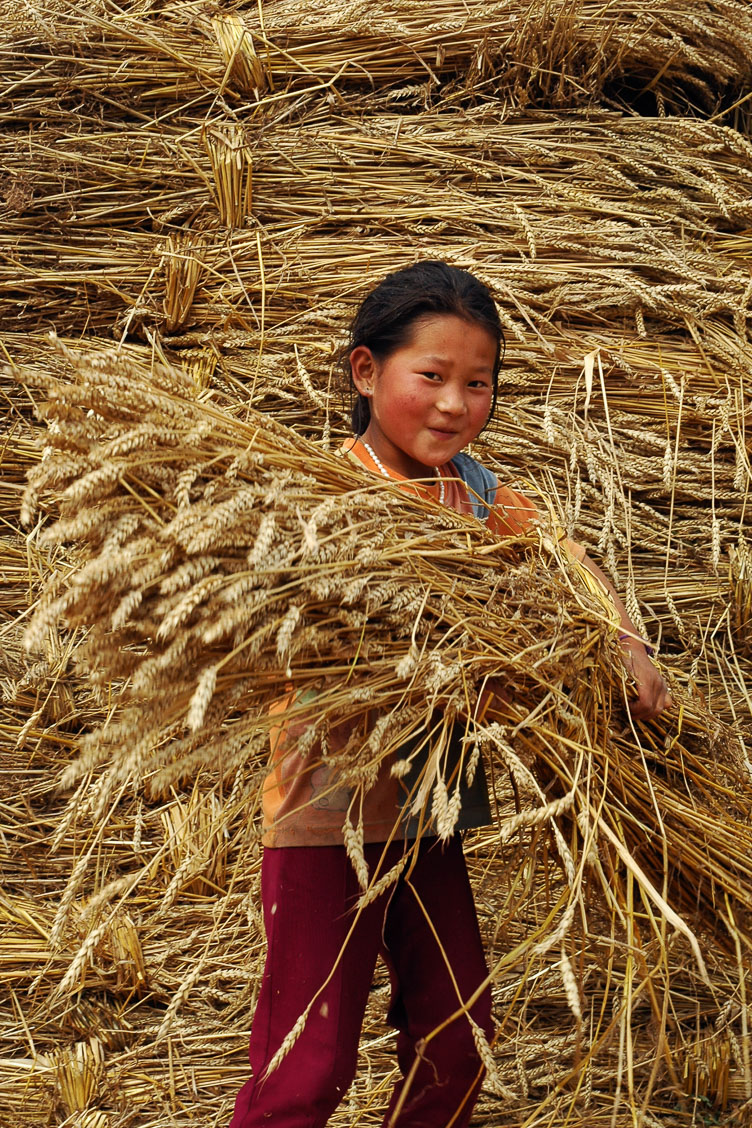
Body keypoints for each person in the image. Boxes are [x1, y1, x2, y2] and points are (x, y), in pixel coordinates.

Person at [229, 261, 670, 1128]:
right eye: (430, 377)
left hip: (429, 818)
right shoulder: (327, 498)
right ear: (366, 373)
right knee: (308, 1066)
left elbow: (564, 560)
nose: (453, 405)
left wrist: (624, 638)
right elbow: (287, 646)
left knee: (456, 1042)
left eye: (478, 384)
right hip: (327, 821)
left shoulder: (474, 493)